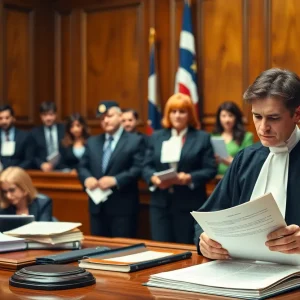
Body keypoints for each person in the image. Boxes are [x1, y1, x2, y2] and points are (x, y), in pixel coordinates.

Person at [195, 68, 300, 259]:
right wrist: (204, 242)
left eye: (273, 118)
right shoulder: (246, 158)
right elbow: (206, 217)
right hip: (242, 273)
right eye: (257, 116)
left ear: (297, 114)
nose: (262, 128)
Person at [143, 93, 217, 244]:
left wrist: (188, 178)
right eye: (173, 111)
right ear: (168, 114)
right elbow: (146, 165)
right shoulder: (156, 137)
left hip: (188, 204)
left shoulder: (202, 138)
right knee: (160, 249)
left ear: (189, 115)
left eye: (182, 112)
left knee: (184, 249)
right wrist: (153, 178)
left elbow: (210, 169)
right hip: (160, 204)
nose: (177, 116)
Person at [77, 100, 145, 238]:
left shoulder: (134, 140)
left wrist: (115, 180)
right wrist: (87, 178)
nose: (105, 120)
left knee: (122, 253)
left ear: (120, 116)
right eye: (102, 118)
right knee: (98, 250)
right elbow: (81, 166)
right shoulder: (92, 142)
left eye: (109, 116)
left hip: (123, 207)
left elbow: (138, 168)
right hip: (97, 207)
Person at [212, 101, 253, 175]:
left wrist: (232, 162)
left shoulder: (246, 137)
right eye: (223, 116)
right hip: (215, 179)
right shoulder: (213, 137)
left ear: (236, 117)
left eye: (230, 115)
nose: (227, 120)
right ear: (219, 118)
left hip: (236, 177)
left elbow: (249, 163)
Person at [31, 101, 66, 171]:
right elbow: (31, 154)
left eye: (51, 114)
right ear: (41, 116)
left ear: (56, 115)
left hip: (63, 168)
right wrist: (41, 164)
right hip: (43, 170)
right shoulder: (34, 132)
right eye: (45, 115)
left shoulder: (64, 130)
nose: (48, 118)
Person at [0, 105, 33, 170]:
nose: (4, 121)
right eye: (1, 118)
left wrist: (15, 170)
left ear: (13, 118)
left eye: (7, 118)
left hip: (18, 174)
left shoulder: (24, 136)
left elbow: (29, 160)